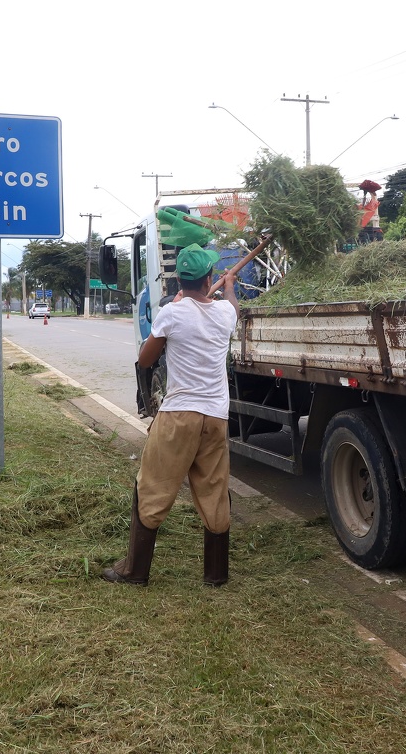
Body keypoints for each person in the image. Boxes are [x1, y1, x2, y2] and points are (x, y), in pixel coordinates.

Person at [103, 243, 239, 587]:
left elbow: (145, 360)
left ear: (179, 280)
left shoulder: (173, 313)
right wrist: (230, 288)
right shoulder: (225, 313)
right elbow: (233, 308)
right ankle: (216, 574)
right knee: (214, 491)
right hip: (216, 417)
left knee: (152, 486)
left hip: (179, 416)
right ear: (209, 276)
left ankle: (134, 570)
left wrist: (173, 311)